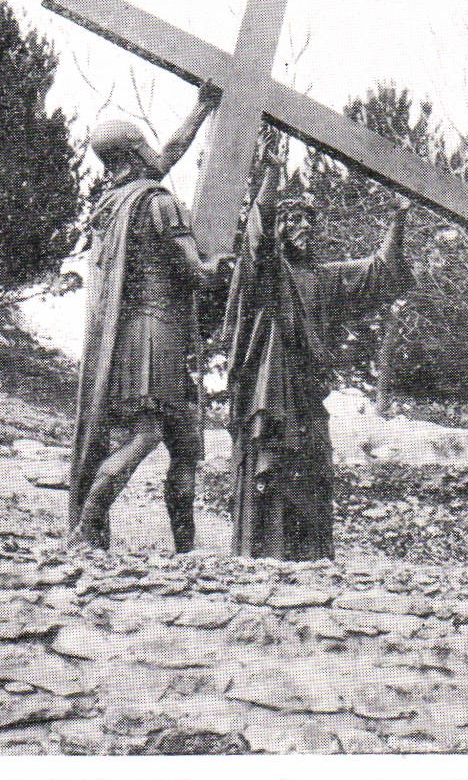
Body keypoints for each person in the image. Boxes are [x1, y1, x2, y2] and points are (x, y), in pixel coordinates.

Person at [223, 143, 415, 560]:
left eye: (309, 220)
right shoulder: (268, 272)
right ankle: (263, 558)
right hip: (272, 391)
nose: (304, 227)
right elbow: (256, 239)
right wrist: (271, 176)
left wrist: (398, 218)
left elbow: (380, 271)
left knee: (311, 472)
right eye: (293, 220)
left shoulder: (326, 279)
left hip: (308, 394)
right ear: (279, 228)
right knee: (272, 470)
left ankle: (310, 560)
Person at [67, 85, 228, 551]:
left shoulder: (113, 204)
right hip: (158, 336)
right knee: (147, 435)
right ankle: (84, 532)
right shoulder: (159, 202)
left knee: (185, 443)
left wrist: (201, 109)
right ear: (137, 151)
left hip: (134, 335)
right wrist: (222, 267)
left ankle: (186, 549)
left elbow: (167, 154)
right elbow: (197, 273)